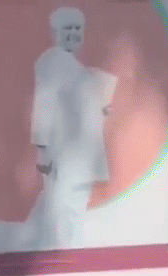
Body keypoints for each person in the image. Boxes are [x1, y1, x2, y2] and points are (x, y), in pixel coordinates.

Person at [29, 6, 116, 248]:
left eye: (78, 29)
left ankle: (68, 244)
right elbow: (44, 104)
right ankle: (63, 246)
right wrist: (42, 148)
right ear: (54, 32)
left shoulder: (73, 65)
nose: (74, 34)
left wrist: (101, 107)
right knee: (64, 203)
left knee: (73, 201)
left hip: (81, 150)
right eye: (68, 28)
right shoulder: (52, 61)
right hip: (64, 151)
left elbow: (81, 105)